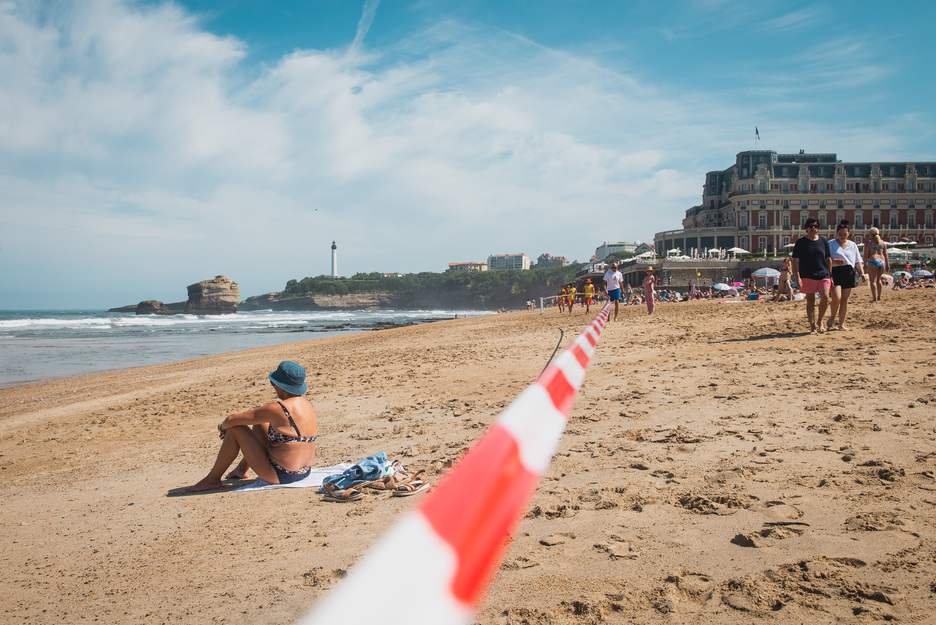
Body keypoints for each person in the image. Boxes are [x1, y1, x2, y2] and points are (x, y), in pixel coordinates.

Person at [185, 361, 317, 492]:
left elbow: (231, 419)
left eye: (273, 383)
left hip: (282, 475)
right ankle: (241, 469)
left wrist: (223, 428)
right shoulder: (308, 405)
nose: (273, 387)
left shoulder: (278, 408)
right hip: (304, 471)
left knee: (236, 429)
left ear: (281, 386)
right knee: (260, 423)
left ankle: (212, 480)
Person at [791, 217, 832, 334]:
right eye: (810, 226)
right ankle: (812, 326)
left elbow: (828, 258)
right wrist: (797, 277)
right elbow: (795, 261)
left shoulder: (823, 241)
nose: (813, 228)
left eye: (815, 226)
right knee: (810, 300)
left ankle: (820, 321)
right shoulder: (801, 242)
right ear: (806, 228)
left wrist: (830, 275)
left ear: (818, 228)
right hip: (807, 274)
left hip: (823, 273)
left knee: (825, 297)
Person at [828, 220, 865, 331]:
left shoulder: (853, 245)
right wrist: (834, 261)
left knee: (844, 300)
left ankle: (841, 324)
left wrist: (862, 273)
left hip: (848, 272)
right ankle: (833, 316)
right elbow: (826, 259)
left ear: (848, 234)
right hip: (835, 272)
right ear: (837, 234)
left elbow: (857, 261)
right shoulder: (831, 244)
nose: (842, 236)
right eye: (840, 234)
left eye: (845, 234)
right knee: (836, 298)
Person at [863, 227, 889, 302]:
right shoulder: (883, 243)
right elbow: (886, 254)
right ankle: (879, 297)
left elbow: (865, 255)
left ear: (870, 234)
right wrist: (887, 264)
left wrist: (864, 264)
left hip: (873, 261)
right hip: (882, 262)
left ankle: (874, 298)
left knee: (873, 281)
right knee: (879, 280)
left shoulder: (869, 242)